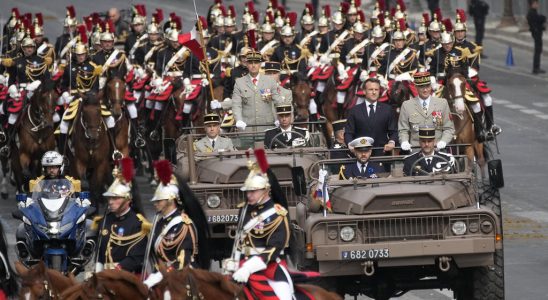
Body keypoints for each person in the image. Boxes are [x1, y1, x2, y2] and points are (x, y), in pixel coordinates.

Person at [229, 158, 292, 300]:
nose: (248, 195)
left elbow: (274, 248)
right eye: (247, 191)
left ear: (266, 190)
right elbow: (239, 240)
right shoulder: (244, 209)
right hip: (241, 265)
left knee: (284, 297)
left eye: (253, 191)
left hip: (269, 267)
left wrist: (249, 268)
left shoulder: (277, 214)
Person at [148, 160, 209, 271]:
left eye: (160, 200)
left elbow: (183, 260)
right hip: (162, 274)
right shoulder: (160, 222)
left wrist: (163, 274)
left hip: (179, 275)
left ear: (171, 200)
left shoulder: (183, 224)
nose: (155, 203)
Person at [94, 159, 150, 273]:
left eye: (115, 198)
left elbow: (137, 256)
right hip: (105, 275)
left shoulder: (138, 223)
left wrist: (117, 269)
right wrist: (97, 270)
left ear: (127, 199)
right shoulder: (105, 220)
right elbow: (100, 253)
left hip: (126, 274)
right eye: (109, 198)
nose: (110, 202)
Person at [398, 71, 454, 151]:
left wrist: (443, 141)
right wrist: (404, 141)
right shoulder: (407, 105)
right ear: (416, 87)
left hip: (437, 150)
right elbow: (403, 129)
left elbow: (449, 128)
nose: (425, 90)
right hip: (416, 151)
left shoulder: (442, 103)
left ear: (431, 86)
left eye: (427, 86)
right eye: (421, 87)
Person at [344, 78, 398, 157]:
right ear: (364, 91)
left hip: (382, 155)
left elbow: (394, 131)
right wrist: (350, 144)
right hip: (361, 154)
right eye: (370, 89)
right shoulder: (354, 110)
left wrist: (392, 142)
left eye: (376, 89)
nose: (374, 92)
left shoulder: (387, 110)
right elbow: (348, 132)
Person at [232, 50, 281, 132]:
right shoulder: (240, 82)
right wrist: (239, 120)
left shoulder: (270, 81)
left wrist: (278, 117)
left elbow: (277, 102)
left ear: (260, 64)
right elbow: (236, 104)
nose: (253, 65)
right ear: (247, 64)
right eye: (250, 63)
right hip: (247, 127)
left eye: (256, 62)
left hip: (267, 126)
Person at [527, 0, 547, 74]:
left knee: (538, 50)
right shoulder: (531, 13)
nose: (537, 5)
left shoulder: (534, 12)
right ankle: (536, 68)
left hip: (538, 32)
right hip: (536, 33)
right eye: (536, 3)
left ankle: (537, 67)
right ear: (532, 4)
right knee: (537, 50)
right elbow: (538, 19)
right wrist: (543, 18)